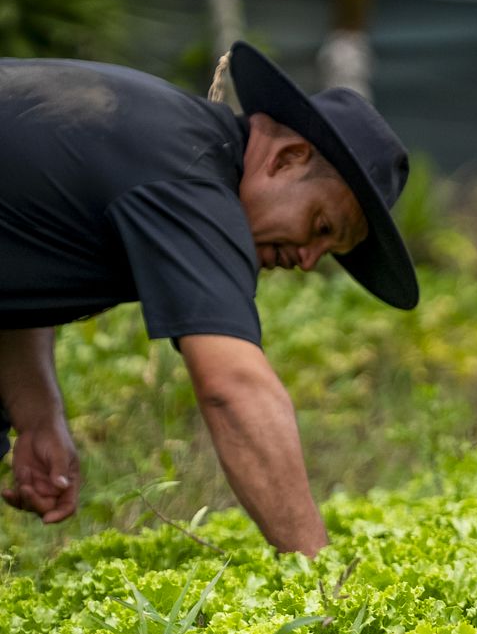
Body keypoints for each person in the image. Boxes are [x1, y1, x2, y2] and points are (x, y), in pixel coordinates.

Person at [1, 45, 420, 557]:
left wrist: (37, 413)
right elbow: (233, 387)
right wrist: (320, 588)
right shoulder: (192, 179)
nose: (308, 261)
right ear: (288, 158)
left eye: (327, 251)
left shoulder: (173, 140)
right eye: (320, 227)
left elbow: (19, 247)